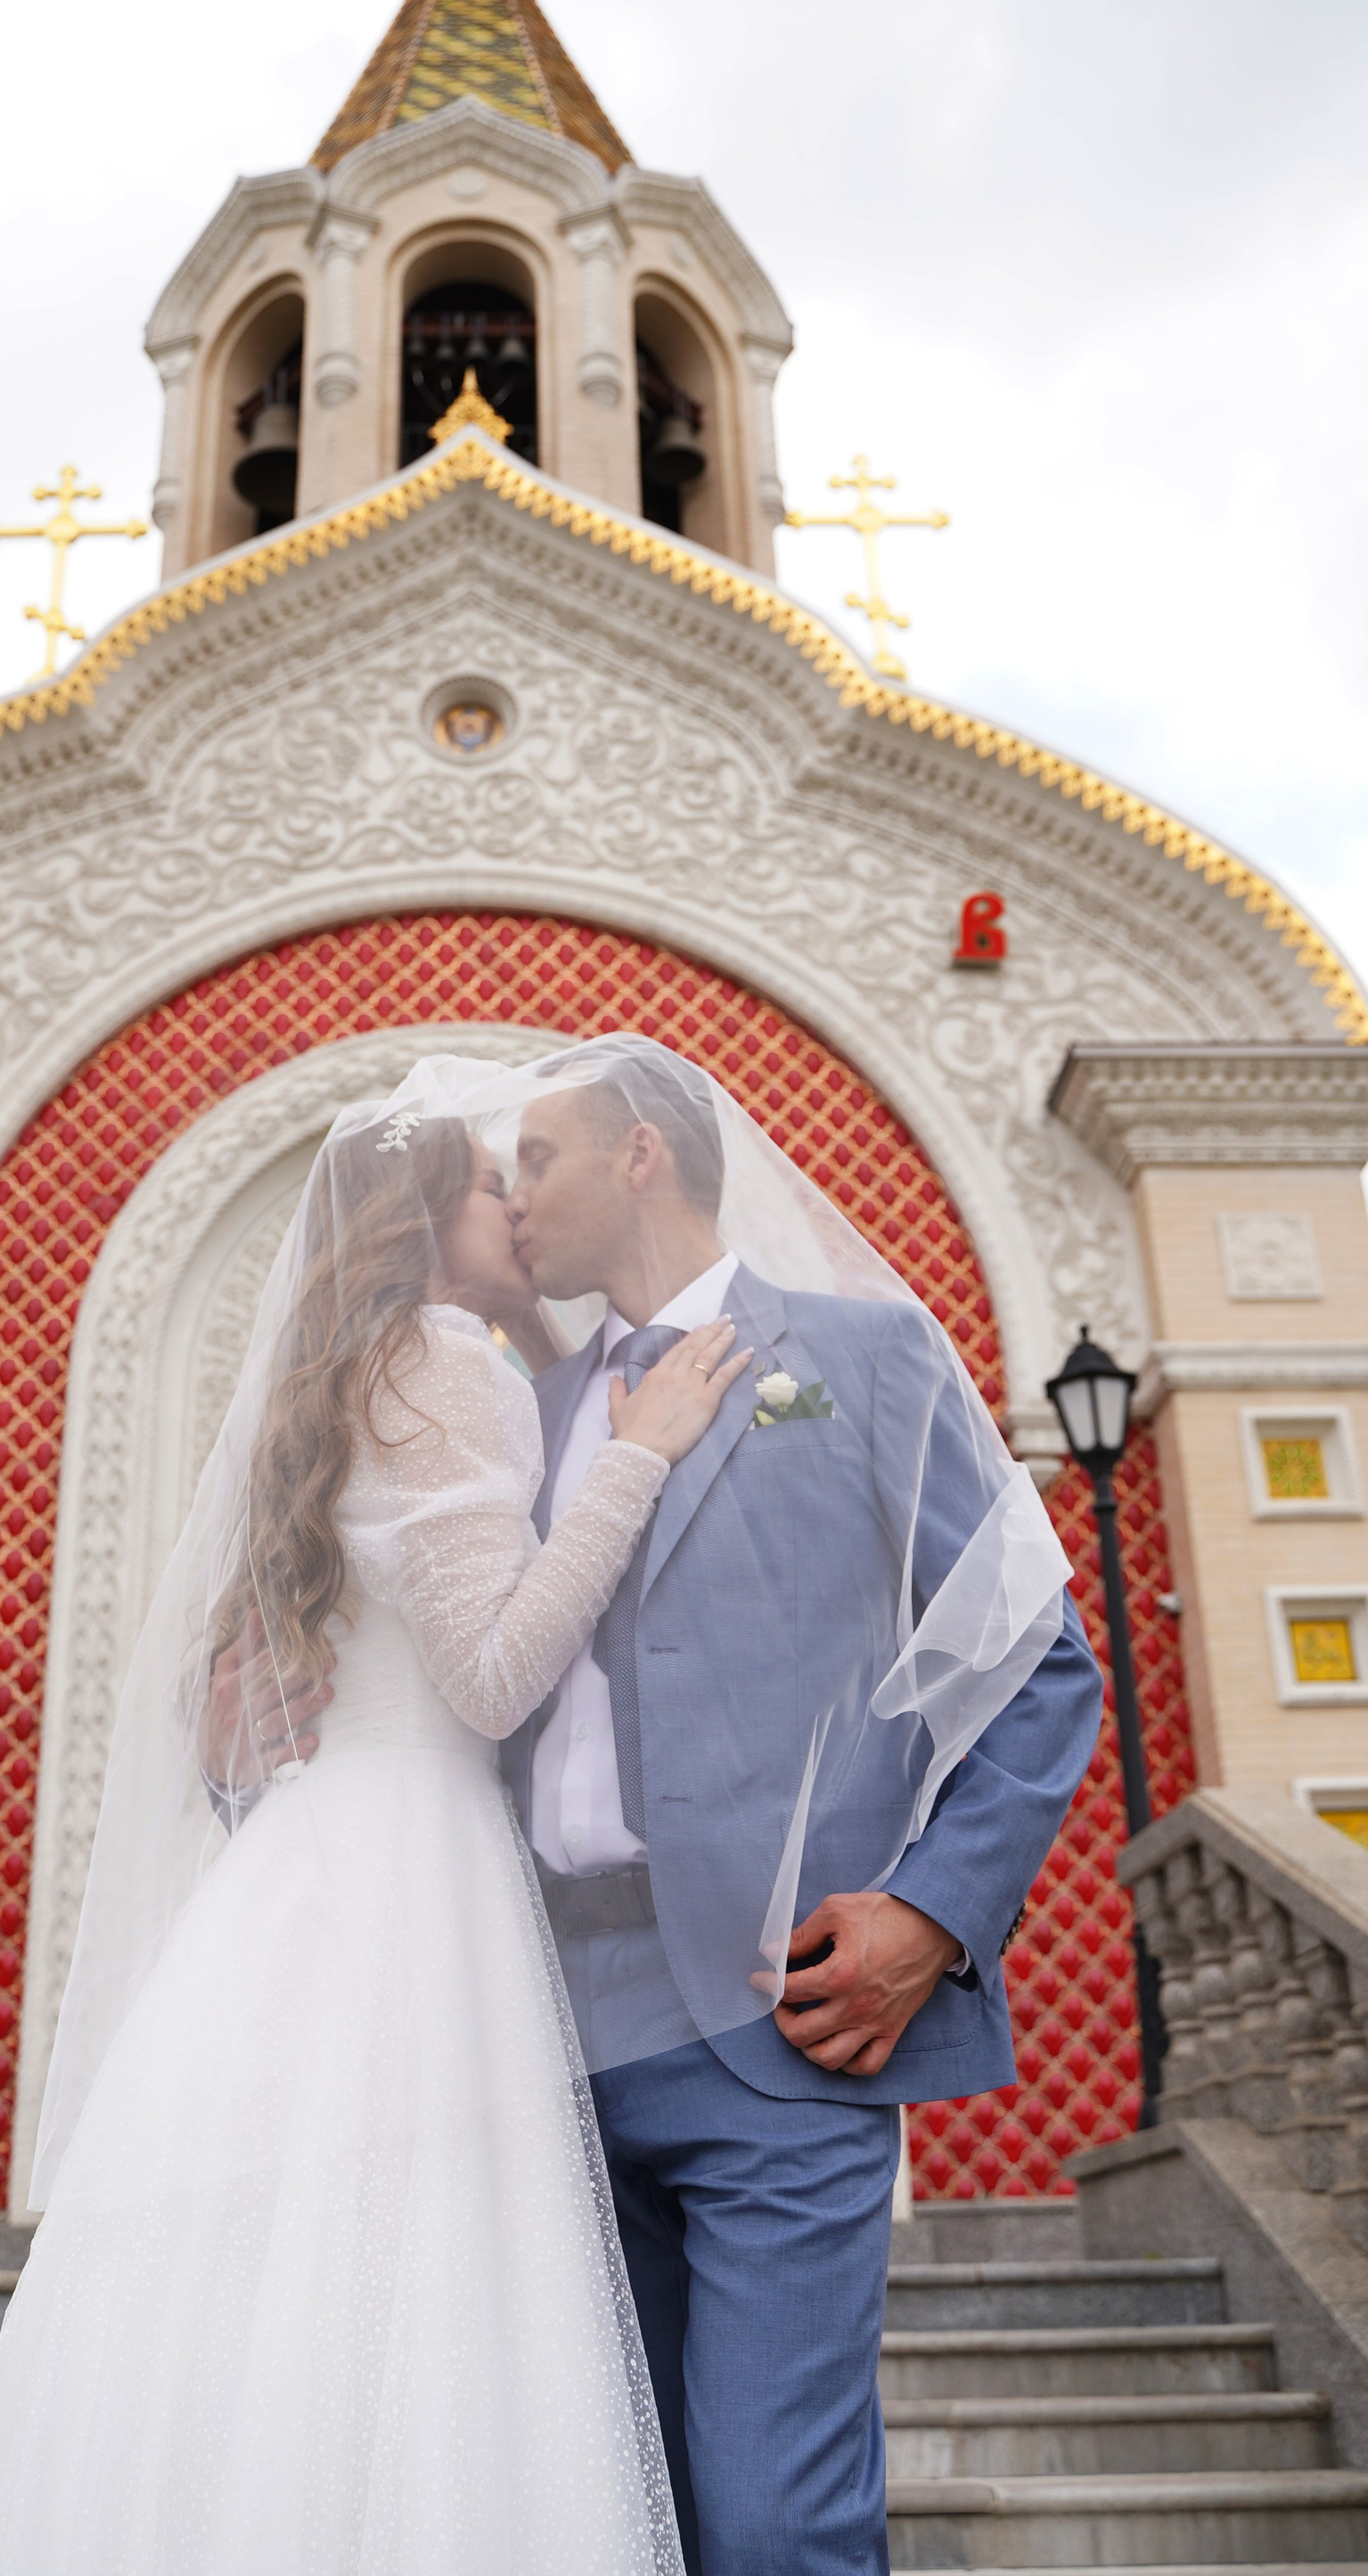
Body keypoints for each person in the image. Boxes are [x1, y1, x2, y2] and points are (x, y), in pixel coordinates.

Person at [0, 1100, 749, 2576]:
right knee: (419, 2292)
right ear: (422, 1220)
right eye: (488, 1184)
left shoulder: (344, 1371)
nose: (517, 1205)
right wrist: (641, 1458)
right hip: (418, 1883)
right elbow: (492, 1679)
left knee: (260, 2303)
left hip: (298, 1874)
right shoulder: (446, 1361)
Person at [499, 1037, 1104, 2576]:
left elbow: (1040, 1667)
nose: (511, 1198)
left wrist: (931, 1914)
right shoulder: (518, 1411)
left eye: (539, 1158)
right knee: (606, 2527)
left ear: (641, 1152)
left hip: (781, 2020)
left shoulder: (870, 1357)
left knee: (775, 2528)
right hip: (530, 2031)